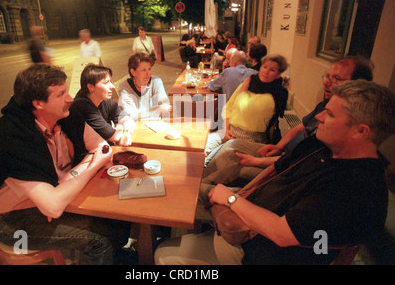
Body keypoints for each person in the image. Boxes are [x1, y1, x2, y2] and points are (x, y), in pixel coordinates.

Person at [155, 80, 394, 265]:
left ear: (360, 131)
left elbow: (281, 233)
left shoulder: (355, 188)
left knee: (163, 254)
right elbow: (276, 168)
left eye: (329, 114)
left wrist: (230, 199)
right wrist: (243, 194)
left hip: (254, 250)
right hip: (248, 208)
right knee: (178, 192)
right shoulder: (323, 145)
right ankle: (170, 230)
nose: (318, 117)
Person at [0, 64, 130, 265]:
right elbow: (54, 207)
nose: (70, 98)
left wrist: (69, 178)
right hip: (12, 218)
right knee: (99, 239)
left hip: (50, 197)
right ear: (38, 103)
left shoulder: (65, 114)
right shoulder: (14, 135)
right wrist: (91, 166)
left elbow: (103, 148)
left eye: (67, 91)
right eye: (61, 94)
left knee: (118, 220)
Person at [202, 56, 375, 186]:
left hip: (284, 164)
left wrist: (258, 161)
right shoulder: (325, 106)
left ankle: (199, 189)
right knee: (219, 150)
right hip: (279, 153)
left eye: (336, 79)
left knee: (229, 159)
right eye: (327, 76)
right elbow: (298, 127)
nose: (326, 82)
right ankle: (199, 182)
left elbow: (302, 161)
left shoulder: (342, 127)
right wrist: (278, 146)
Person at [204, 54, 288, 162]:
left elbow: (245, 107)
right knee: (202, 147)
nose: (266, 71)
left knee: (211, 160)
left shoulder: (275, 94)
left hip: (251, 139)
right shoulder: (249, 82)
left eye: (272, 70)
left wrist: (244, 88)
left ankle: (200, 178)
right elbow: (229, 106)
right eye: (264, 67)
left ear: (278, 74)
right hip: (229, 131)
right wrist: (226, 128)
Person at [70, 64, 135, 146]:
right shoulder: (81, 105)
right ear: (90, 87)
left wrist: (125, 131)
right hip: (88, 156)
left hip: (103, 151)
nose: (112, 86)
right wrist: (120, 127)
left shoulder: (102, 99)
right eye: (106, 82)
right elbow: (114, 137)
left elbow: (126, 119)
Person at [118, 52, 170, 120]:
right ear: (133, 72)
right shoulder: (124, 87)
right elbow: (129, 114)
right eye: (143, 70)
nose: (148, 73)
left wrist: (136, 111)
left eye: (149, 69)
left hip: (156, 124)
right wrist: (157, 109)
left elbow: (166, 108)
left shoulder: (156, 82)